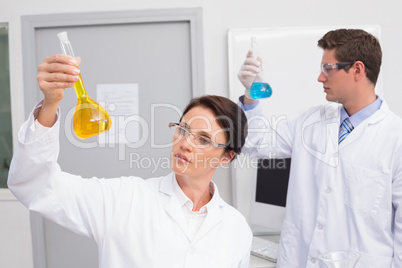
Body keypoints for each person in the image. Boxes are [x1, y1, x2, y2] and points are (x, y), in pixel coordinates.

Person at [8, 54, 252, 268]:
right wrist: (50, 104)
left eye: (203, 139)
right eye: (183, 129)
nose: (185, 143)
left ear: (226, 157)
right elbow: (36, 185)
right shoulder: (124, 200)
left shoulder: (236, 229)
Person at [237, 29, 402, 267]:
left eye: (328, 69)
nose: (320, 78)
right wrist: (251, 93)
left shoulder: (395, 138)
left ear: (357, 70)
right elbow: (256, 144)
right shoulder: (310, 122)